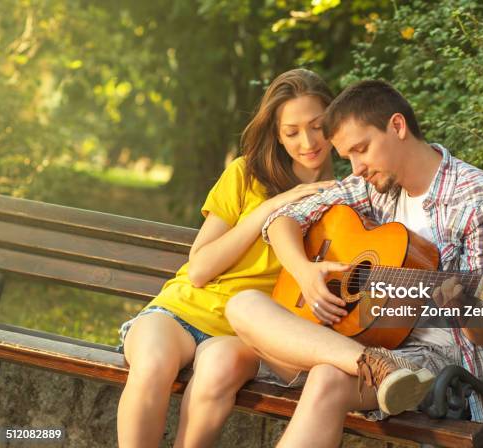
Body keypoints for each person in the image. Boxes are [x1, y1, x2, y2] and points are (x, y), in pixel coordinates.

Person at [226, 80, 483, 447]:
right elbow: (282, 220)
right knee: (243, 305)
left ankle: (373, 367)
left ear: (397, 127)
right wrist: (305, 273)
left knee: (326, 379)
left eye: (361, 149)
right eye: (348, 155)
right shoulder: (370, 186)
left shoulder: (482, 202)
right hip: (361, 343)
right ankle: (373, 365)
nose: (356, 167)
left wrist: (463, 304)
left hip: (441, 367)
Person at [116, 68, 338, 448]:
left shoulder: (343, 201)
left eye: (317, 126)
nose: (308, 141)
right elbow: (200, 269)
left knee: (218, 369)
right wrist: (275, 205)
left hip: (245, 334)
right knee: (152, 364)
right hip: (181, 311)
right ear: (276, 134)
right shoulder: (244, 175)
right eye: (292, 131)